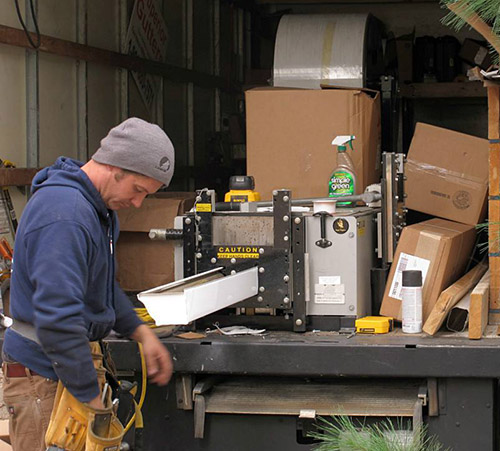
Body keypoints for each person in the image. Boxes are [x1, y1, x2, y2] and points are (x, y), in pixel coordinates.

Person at [2, 117, 175, 451]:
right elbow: (58, 318)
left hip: (63, 371)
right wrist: (92, 402)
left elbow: (101, 288)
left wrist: (142, 334)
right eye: (138, 190)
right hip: (44, 379)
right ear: (115, 167)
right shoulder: (66, 215)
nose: (138, 203)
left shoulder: (96, 210)